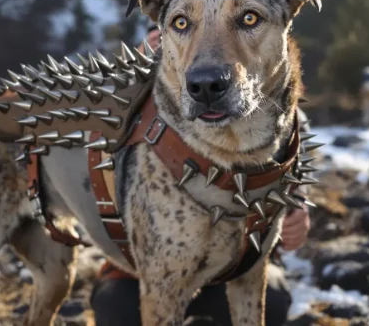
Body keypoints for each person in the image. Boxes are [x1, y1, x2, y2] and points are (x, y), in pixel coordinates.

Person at [89, 26, 312, 326]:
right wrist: (137, 74)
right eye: (177, 33)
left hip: (240, 265)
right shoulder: (126, 113)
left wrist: (297, 210)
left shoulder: (283, 119)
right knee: (117, 310)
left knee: (271, 304)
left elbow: (296, 184)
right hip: (139, 271)